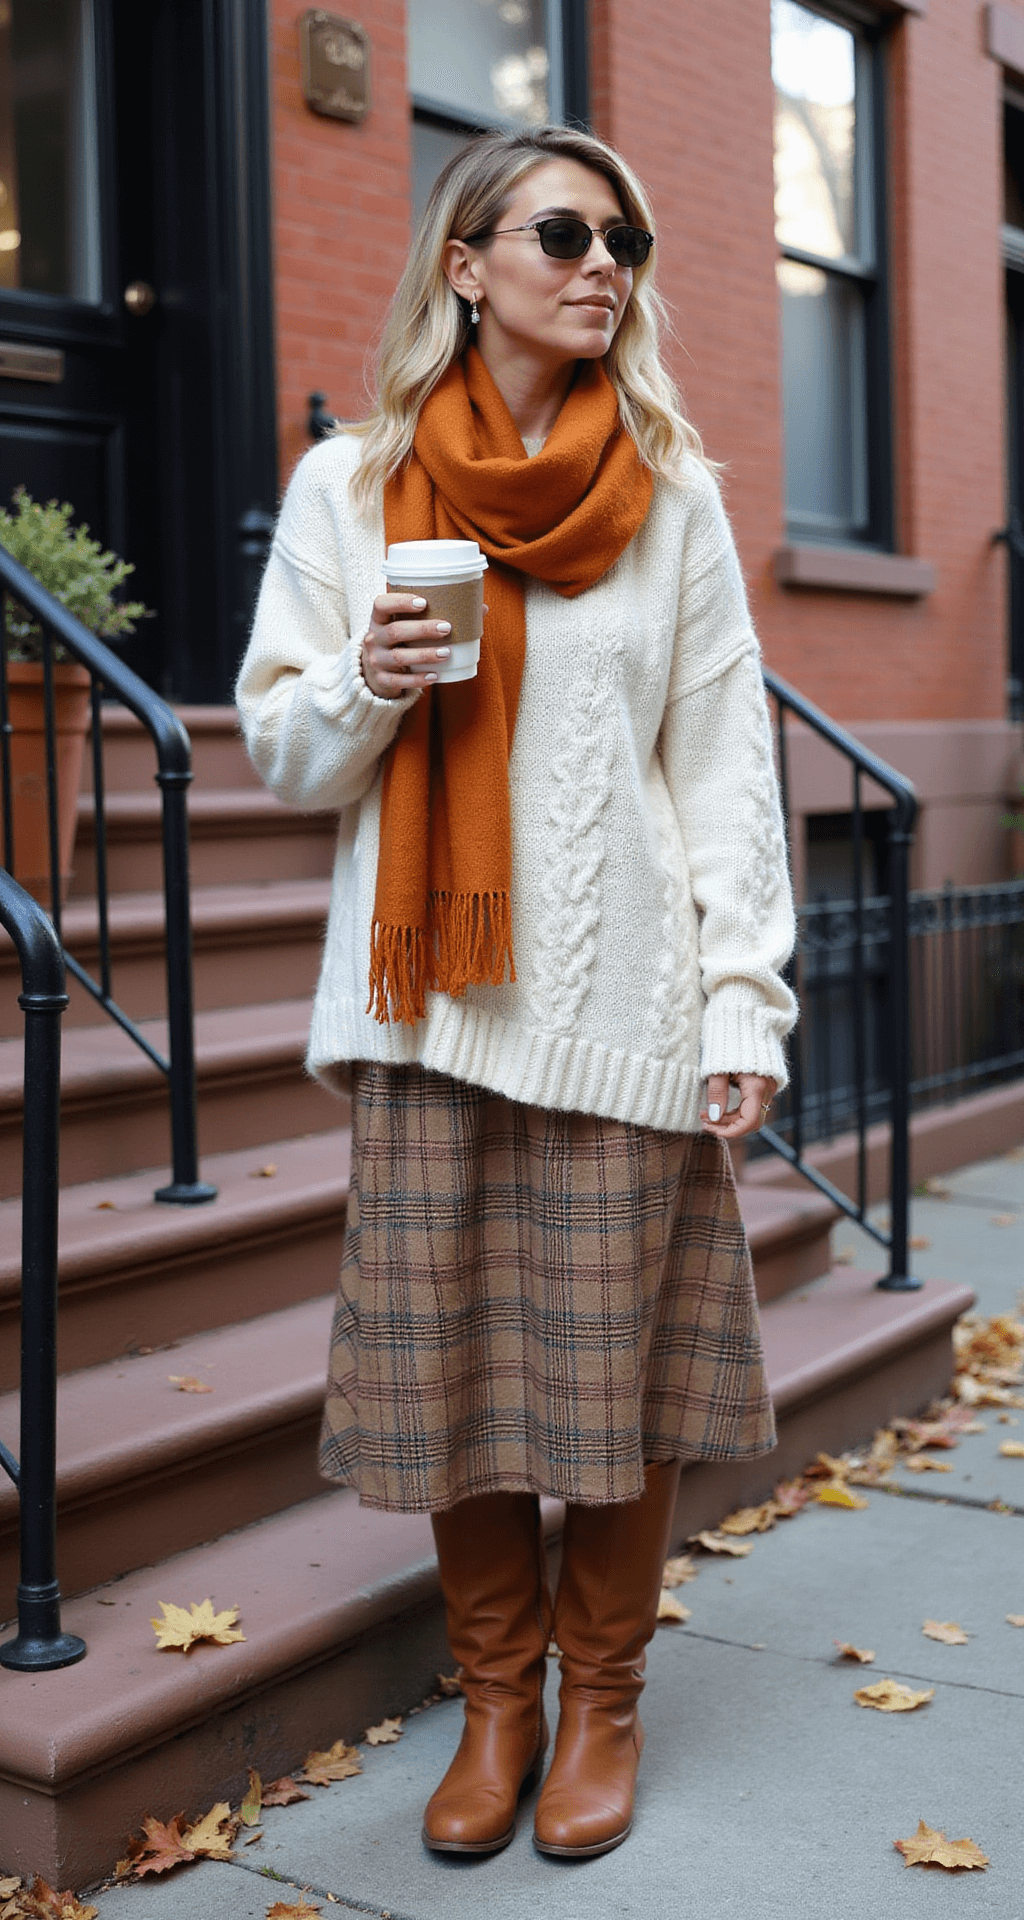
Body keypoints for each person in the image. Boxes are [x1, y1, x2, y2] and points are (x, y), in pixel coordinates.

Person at [236, 124, 796, 1863]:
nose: (601, 259)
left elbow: (721, 764)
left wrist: (743, 998)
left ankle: (604, 1700)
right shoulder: (354, 485)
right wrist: (364, 684)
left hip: (622, 1007)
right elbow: (279, 748)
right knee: (458, 1379)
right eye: (562, 229)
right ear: (465, 262)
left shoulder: (671, 493)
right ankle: (500, 1703)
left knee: (610, 1388)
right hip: (429, 1011)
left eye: (621, 234)